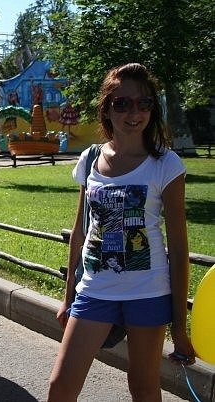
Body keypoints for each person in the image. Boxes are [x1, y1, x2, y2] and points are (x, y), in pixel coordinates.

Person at [47, 63, 195, 401]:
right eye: (123, 103)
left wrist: (179, 327)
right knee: (61, 386)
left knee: (143, 387)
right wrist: (68, 297)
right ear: (107, 108)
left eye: (144, 103)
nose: (134, 112)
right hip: (95, 289)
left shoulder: (166, 165)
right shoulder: (90, 159)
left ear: (152, 109)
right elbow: (79, 232)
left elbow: (178, 249)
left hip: (148, 292)